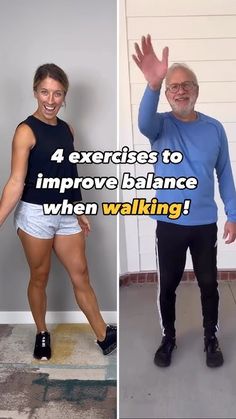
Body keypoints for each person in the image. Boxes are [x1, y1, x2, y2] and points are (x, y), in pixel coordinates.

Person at [0, 63, 116, 360]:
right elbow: (16, 181)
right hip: (35, 215)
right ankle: (41, 334)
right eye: (44, 92)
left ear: (65, 96)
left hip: (65, 213)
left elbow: (69, 173)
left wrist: (79, 208)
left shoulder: (67, 130)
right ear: (35, 92)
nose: (50, 100)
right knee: (39, 276)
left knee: (81, 274)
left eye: (57, 94)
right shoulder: (25, 131)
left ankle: (104, 335)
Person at [132, 35, 236, 368]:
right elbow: (143, 121)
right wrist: (152, 84)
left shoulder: (215, 129)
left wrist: (232, 214)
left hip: (204, 224)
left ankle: (210, 337)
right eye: (173, 86)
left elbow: (225, 176)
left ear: (196, 90)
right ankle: (169, 338)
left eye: (186, 85)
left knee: (209, 284)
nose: (180, 90)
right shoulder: (159, 126)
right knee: (169, 287)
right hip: (170, 223)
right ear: (167, 94)